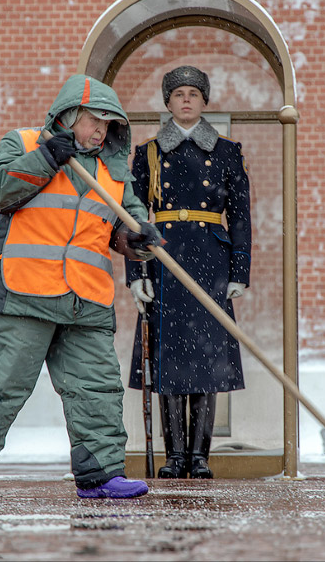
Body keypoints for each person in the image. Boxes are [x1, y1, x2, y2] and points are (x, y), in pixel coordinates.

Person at [0, 74, 162, 500]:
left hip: (86, 298)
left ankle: (100, 473)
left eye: (109, 125)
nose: (100, 131)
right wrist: (45, 159)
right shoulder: (23, 143)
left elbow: (123, 223)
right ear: (69, 115)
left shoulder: (114, 170)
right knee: (2, 383)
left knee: (95, 386)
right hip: (25, 292)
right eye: (93, 120)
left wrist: (135, 241)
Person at [125, 65, 252, 480]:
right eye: (178, 93)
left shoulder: (227, 151)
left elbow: (241, 218)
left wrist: (239, 270)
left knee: (205, 362)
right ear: (167, 102)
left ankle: (199, 457)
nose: (185, 100)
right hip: (164, 261)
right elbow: (133, 216)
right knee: (167, 361)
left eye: (193, 94)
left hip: (210, 263)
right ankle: (174, 456)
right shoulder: (147, 152)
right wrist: (136, 273)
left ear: (204, 101)